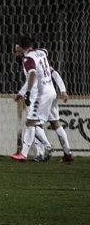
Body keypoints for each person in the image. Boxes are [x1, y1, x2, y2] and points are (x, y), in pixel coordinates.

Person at [11, 35, 74, 163]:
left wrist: (27, 93)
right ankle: (68, 153)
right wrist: (62, 90)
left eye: (18, 48)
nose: (16, 51)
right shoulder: (41, 53)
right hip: (51, 92)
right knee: (55, 123)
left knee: (30, 122)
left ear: (23, 47)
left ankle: (23, 154)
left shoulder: (28, 59)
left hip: (41, 94)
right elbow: (47, 59)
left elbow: (32, 74)